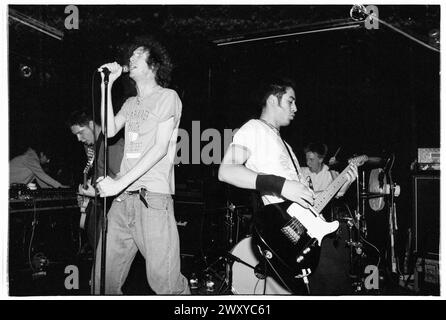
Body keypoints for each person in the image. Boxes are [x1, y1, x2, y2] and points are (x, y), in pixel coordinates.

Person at [218, 78, 357, 294]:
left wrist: (339, 189)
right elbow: (226, 171)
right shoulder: (253, 128)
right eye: (290, 101)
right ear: (274, 100)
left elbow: (304, 197)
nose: (296, 108)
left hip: (311, 231)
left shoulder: (287, 147)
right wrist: (280, 185)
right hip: (290, 234)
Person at [94, 36, 190, 295]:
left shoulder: (167, 97)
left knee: (166, 283)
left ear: (154, 65)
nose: (130, 59)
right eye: (131, 55)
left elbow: (160, 149)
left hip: (152, 198)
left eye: (137, 55)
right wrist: (107, 87)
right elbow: (109, 128)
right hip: (123, 200)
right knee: (103, 281)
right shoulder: (130, 103)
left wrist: (118, 184)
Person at [300, 142, 357, 295]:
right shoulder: (301, 171)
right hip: (302, 222)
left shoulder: (332, 174)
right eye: (307, 159)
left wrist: (344, 186)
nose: (308, 163)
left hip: (322, 226)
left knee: (331, 271)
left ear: (321, 159)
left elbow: (340, 194)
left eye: (311, 159)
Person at [68, 110, 124, 254]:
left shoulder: (110, 143)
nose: (79, 139)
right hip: (101, 204)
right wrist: (87, 192)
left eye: (80, 133)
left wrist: (97, 192)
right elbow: (99, 173)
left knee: (104, 253)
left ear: (92, 125)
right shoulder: (95, 145)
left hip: (112, 208)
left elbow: (122, 176)